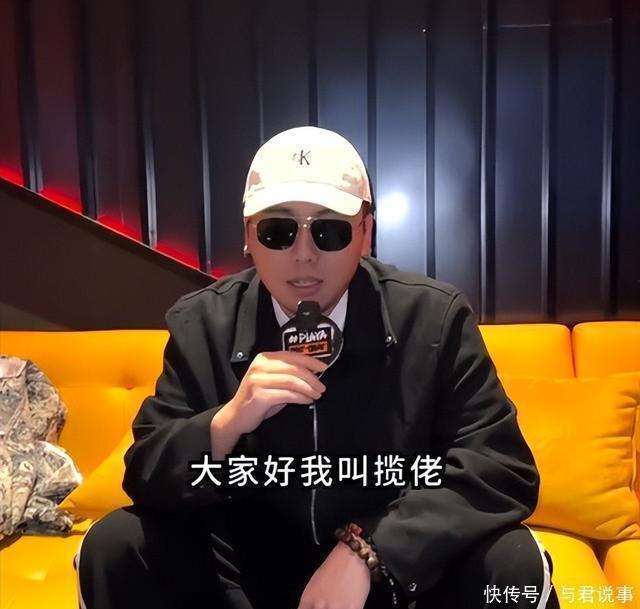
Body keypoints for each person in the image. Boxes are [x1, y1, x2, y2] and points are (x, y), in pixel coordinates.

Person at [75, 126, 560, 609]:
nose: (303, 254)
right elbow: (146, 473)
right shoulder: (203, 322)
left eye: (330, 230)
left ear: (365, 234)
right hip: (244, 578)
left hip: (392, 578)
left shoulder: (433, 319)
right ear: (248, 236)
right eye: (278, 231)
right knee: (116, 545)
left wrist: (372, 549)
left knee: (513, 563)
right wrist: (225, 423)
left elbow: (500, 467)